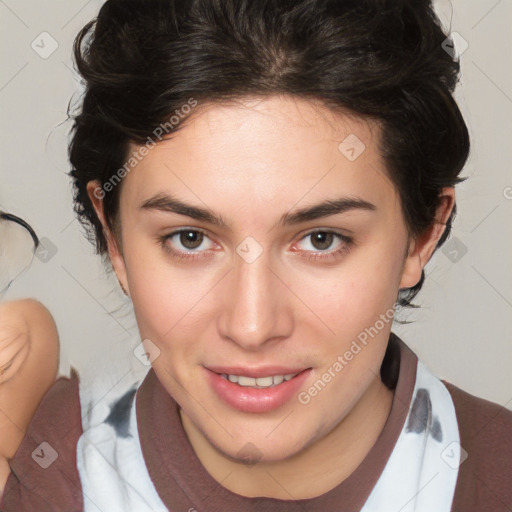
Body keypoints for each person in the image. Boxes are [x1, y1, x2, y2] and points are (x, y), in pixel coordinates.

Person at [1, 0, 511, 510]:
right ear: (114, 237)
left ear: (422, 234)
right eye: (190, 239)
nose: (251, 326)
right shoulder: (43, 476)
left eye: (321, 240)